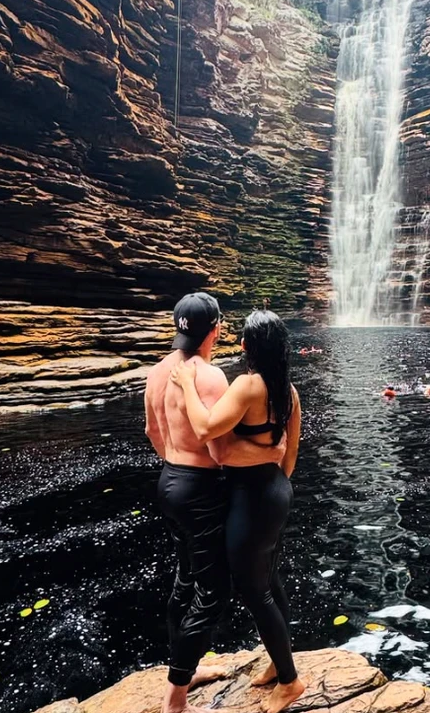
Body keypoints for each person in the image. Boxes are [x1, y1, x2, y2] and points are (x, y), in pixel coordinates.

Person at [145, 293, 282, 713]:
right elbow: (220, 449)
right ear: (217, 329)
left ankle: (186, 666)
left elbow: (152, 430)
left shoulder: (157, 371)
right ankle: (176, 699)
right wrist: (268, 450)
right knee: (214, 592)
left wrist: (176, 467)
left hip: (169, 481)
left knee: (185, 578)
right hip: (200, 489)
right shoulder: (210, 376)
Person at [171, 310, 305, 713]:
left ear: (246, 346)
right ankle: (277, 662)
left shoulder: (248, 385)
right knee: (270, 580)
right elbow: (291, 452)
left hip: (253, 497)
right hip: (277, 490)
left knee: (253, 589)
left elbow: (205, 428)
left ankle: (290, 681)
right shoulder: (289, 391)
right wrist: (269, 472)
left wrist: (187, 384)